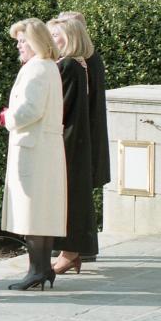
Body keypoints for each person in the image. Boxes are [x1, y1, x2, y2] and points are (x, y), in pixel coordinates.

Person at [0, 18, 66, 290]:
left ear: (36, 41)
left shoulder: (37, 68)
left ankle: (37, 270)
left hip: (34, 149)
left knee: (33, 213)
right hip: (43, 148)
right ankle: (41, 269)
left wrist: (7, 117)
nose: (19, 45)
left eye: (23, 40)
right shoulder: (47, 66)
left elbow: (31, 109)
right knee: (41, 212)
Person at [57, 11, 109, 263]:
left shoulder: (74, 64)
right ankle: (82, 248)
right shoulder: (88, 60)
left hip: (77, 135)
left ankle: (77, 247)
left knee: (76, 196)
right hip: (86, 133)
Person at [47, 17, 96, 274]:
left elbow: (61, 108)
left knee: (70, 199)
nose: (52, 39)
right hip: (76, 139)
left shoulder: (68, 65)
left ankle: (70, 252)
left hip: (68, 141)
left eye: (57, 35)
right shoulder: (77, 64)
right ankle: (70, 253)